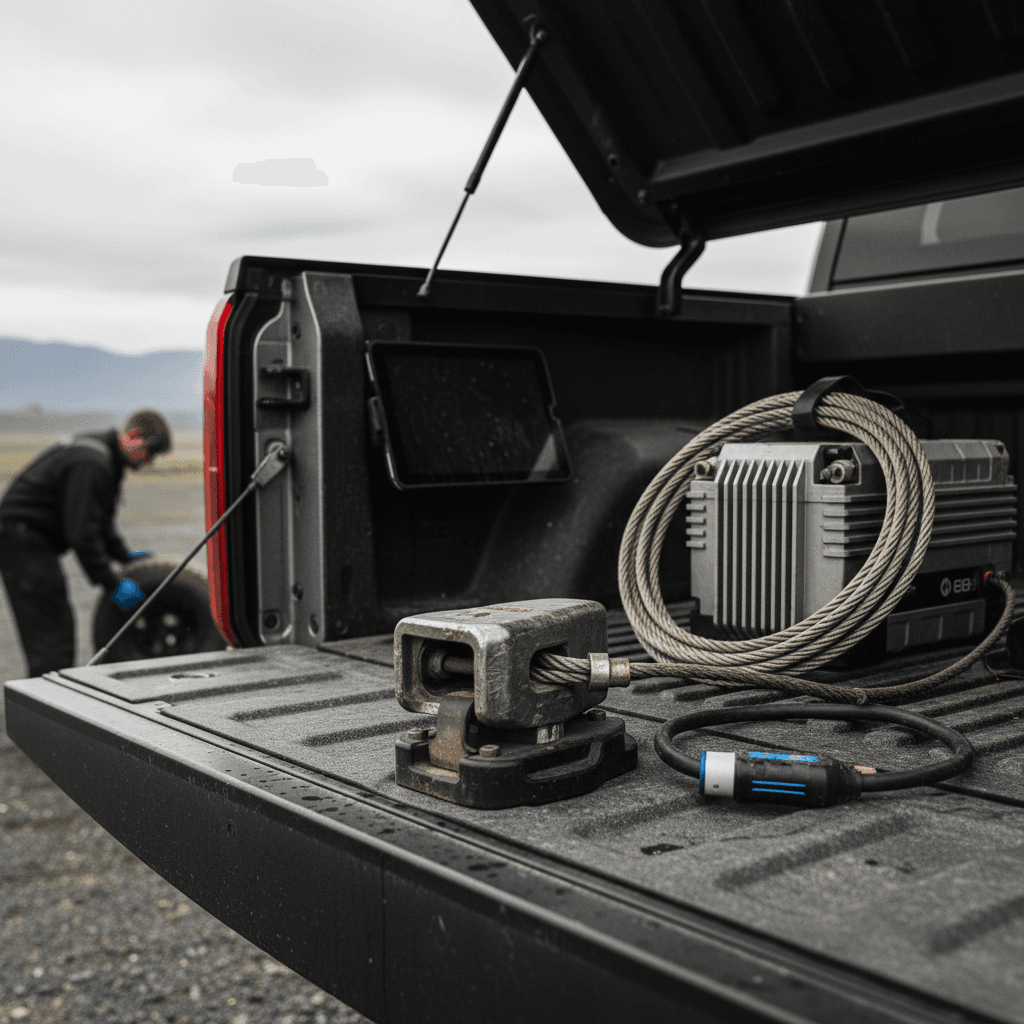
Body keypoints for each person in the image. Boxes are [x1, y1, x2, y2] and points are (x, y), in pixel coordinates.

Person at [0, 410, 172, 677]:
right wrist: (112, 582)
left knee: (55, 629)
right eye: (150, 452)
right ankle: (44, 709)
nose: (149, 462)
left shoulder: (104, 457)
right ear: (134, 436)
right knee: (51, 636)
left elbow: (99, 520)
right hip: (23, 541)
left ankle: (47, 701)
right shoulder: (92, 462)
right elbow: (81, 533)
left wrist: (124, 555)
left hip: (28, 539)